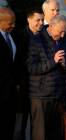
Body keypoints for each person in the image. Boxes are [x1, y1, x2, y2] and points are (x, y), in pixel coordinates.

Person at [27, 15, 66, 140]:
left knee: (58, 135)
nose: (62, 35)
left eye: (65, 31)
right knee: (41, 135)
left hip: (60, 96)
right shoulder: (36, 40)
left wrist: (65, 64)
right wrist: (53, 61)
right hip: (41, 96)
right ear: (51, 26)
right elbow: (32, 68)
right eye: (60, 31)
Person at [17, 6, 44, 140]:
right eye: (37, 20)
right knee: (22, 122)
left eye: (42, 20)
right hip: (25, 84)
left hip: (41, 86)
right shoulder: (20, 36)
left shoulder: (45, 35)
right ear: (29, 19)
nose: (40, 23)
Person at [0, 7, 19, 140]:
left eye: (14, 22)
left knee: (9, 129)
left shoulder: (14, 36)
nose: (13, 25)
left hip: (11, 94)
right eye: (10, 23)